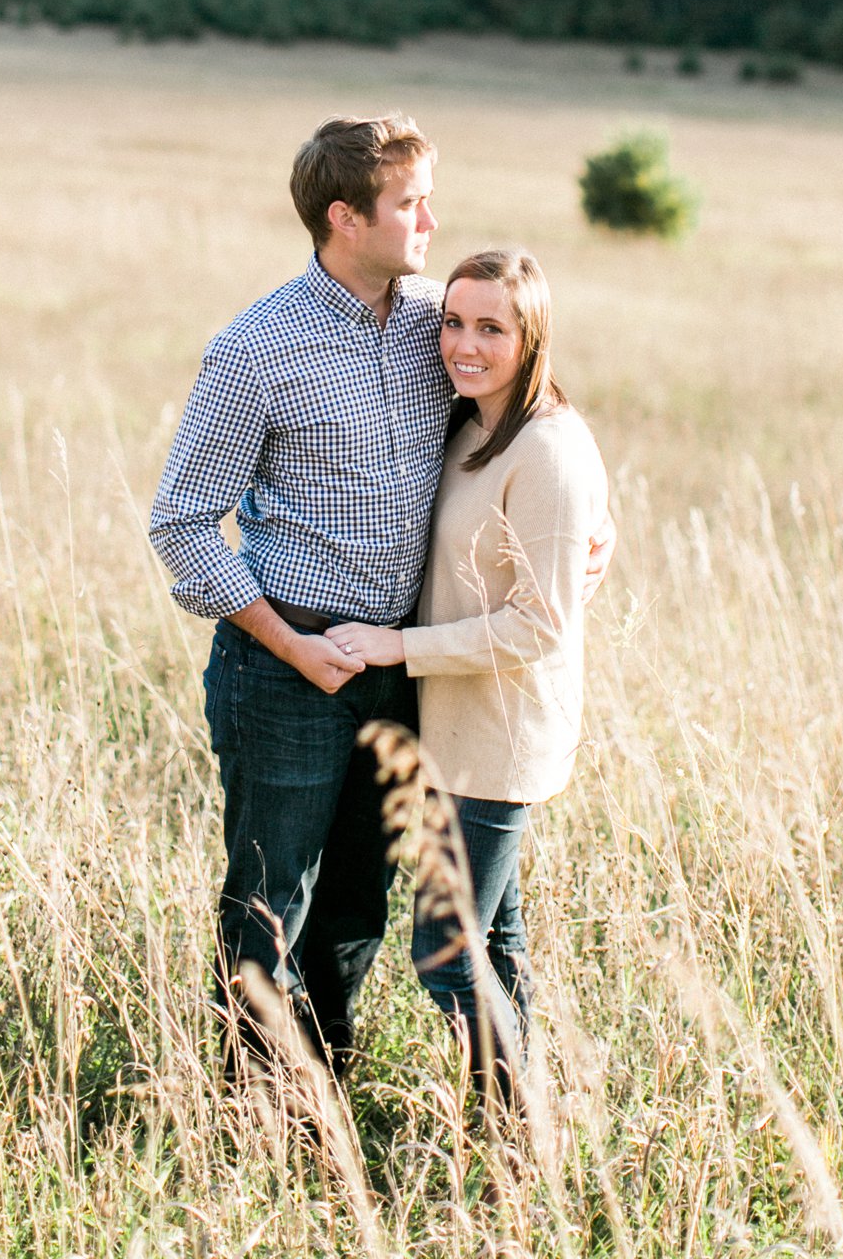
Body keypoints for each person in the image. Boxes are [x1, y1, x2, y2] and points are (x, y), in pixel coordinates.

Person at [148, 113, 453, 1077]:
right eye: (410, 204)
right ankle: (252, 1116)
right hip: (287, 666)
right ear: (345, 218)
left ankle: (326, 1092)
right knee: (273, 900)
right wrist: (292, 648)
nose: (430, 221)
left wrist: (587, 523)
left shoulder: (436, 322)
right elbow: (182, 521)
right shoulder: (256, 347)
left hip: (399, 662)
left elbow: (528, 411)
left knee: (362, 898)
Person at [329, 248, 611, 1111]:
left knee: (447, 950)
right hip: (455, 727)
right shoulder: (473, 425)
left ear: (532, 339)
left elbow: (539, 625)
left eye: (492, 327)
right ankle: (522, 1109)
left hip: (499, 737)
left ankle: (523, 1134)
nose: (466, 344)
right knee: (497, 938)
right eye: (454, 323)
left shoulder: (548, 449)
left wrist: (396, 646)